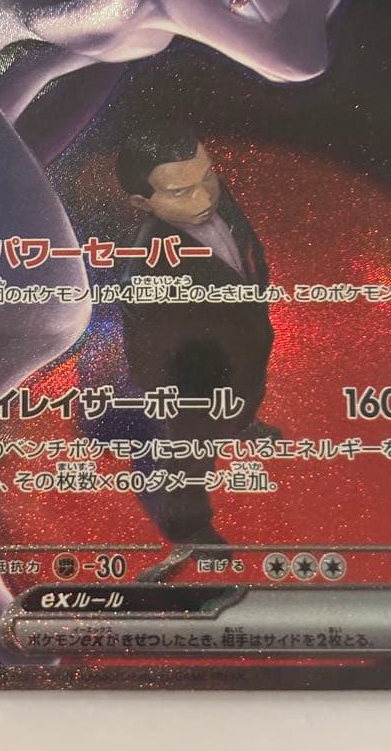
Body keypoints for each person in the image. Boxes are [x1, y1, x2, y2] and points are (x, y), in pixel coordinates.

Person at [116, 124, 276, 573]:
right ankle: (188, 527)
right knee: (188, 458)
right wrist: (174, 399)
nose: (204, 198)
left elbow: (248, 252)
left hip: (245, 346)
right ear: (142, 204)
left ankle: (241, 424)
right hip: (192, 384)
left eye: (208, 177)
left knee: (248, 394)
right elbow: (145, 349)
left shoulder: (221, 203)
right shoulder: (147, 268)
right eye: (181, 191)